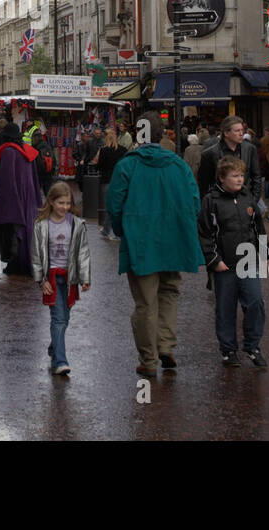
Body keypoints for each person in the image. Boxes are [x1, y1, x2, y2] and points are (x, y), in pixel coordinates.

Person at [106, 110, 203, 377]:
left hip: (141, 241)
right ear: (161, 135)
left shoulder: (128, 165)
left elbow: (114, 204)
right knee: (170, 293)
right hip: (175, 240)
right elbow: (194, 202)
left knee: (146, 302)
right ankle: (166, 345)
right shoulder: (178, 165)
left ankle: (148, 359)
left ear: (138, 134)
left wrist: (122, 229)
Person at [199, 156, 267, 368]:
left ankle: (253, 345)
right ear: (222, 178)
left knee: (256, 302)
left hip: (248, 261)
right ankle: (228, 349)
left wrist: (266, 253)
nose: (240, 179)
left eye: (241, 175)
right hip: (225, 265)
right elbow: (204, 233)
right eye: (235, 176)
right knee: (226, 308)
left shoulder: (248, 198)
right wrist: (213, 259)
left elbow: (258, 228)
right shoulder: (211, 201)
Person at [31, 181, 91, 376]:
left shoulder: (76, 224)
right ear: (51, 202)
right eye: (61, 203)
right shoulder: (41, 226)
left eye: (67, 203)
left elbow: (83, 252)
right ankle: (60, 361)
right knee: (58, 319)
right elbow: (36, 255)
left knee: (65, 318)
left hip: (70, 278)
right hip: (53, 278)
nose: (64, 207)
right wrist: (42, 280)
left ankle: (54, 347)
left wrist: (85, 277)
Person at [0, 126, 44, 276]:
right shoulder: (26, 151)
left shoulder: (9, 152)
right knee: (26, 230)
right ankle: (24, 263)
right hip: (29, 196)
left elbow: (5, 179)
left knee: (15, 231)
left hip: (15, 197)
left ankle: (17, 264)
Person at [197, 115, 262, 204]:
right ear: (226, 133)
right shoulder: (210, 153)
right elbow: (203, 184)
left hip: (244, 201)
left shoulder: (250, 149)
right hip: (220, 203)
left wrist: (253, 201)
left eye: (242, 130)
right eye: (237, 131)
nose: (241, 133)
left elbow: (256, 177)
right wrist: (211, 204)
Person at [94, 128, 125, 241]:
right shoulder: (123, 150)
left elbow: (99, 166)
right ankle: (108, 231)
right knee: (118, 206)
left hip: (107, 180)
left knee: (109, 207)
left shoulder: (104, 150)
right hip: (120, 181)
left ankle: (110, 231)